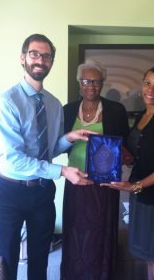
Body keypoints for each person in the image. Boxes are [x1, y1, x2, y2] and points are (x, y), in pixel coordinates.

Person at [0, 34, 94, 280]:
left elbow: (49, 150)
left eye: (46, 56)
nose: (40, 60)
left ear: (51, 62)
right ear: (23, 58)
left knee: (40, 256)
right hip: (11, 190)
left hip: (42, 191)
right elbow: (14, 159)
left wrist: (68, 138)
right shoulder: (7, 102)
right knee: (7, 258)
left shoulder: (54, 104)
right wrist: (61, 171)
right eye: (34, 54)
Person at [101, 65, 154, 280]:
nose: (151, 89)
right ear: (142, 84)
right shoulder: (143, 114)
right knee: (148, 255)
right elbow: (140, 151)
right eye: (148, 83)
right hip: (142, 195)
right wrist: (124, 157)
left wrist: (134, 186)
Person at [60, 60, 130, 280]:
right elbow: (59, 142)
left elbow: (124, 145)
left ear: (102, 83)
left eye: (96, 82)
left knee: (101, 235)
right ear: (79, 83)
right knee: (74, 232)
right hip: (75, 180)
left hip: (105, 184)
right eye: (86, 81)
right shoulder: (68, 110)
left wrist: (121, 151)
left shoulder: (116, 110)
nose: (91, 86)